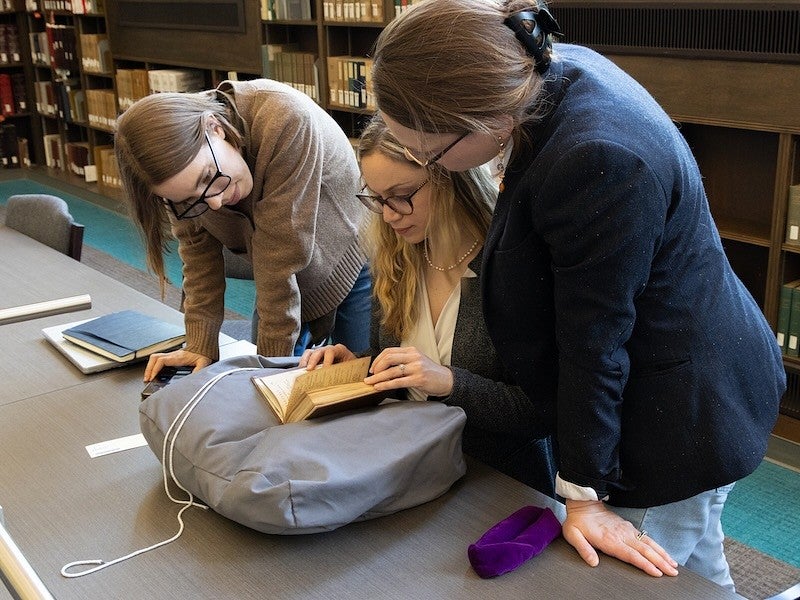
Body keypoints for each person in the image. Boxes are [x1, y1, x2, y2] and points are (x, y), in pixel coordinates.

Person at [368, 0, 786, 591]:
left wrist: (585, 495)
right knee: (698, 567)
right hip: (691, 372)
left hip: (675, 409)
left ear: (480, 116)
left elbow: (596, 341)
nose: (432, 168)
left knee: (626, 580)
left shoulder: (595, 155)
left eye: (431, 155)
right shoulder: (547, 71)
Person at [301, 116, 557, 496]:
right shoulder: (395, 260)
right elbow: (398, 364)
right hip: (411, 463)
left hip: (497, 481)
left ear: (451, 176)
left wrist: (450, 382)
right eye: (377, 199)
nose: (389, 215)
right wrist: (355, 366)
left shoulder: (514, 269)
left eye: (402, 195)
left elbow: (543, 414)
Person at [114, 79, 372, 382]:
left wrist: (271, 373)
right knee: (271, 375)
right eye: (190, 200)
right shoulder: (173, 173)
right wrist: (200, 345)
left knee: (361, 381)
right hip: (275, 274)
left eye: (209, 177)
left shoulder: (285, 119)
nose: (215, 202)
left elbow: (279, 257)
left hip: (346, 257)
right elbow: (198, 259)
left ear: (215, 128)